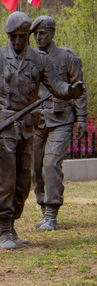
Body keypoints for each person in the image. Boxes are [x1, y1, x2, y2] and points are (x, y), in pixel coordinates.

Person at [0, 12, 84, 250]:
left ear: (28, 36)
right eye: (13, 37)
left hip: (26, 129)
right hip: (2, 130)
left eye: (22, 36)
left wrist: (71, 90)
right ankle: (4, 228)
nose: (17, 41)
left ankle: (8, 224)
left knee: (23, 184)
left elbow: (56, 84)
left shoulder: (39, 60)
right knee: (6, 182)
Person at [30, 16, 88, 232]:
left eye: (42, 33)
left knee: (51, 164)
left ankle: (52, 213)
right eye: (35, 34)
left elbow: (79, 90)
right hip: (37, 121)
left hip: (61, 119)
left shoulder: (68, 57)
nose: (38, 37)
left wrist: (81, 117)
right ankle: (43, 208)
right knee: (35, 167)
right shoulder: (30, 58)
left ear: (52, 33)